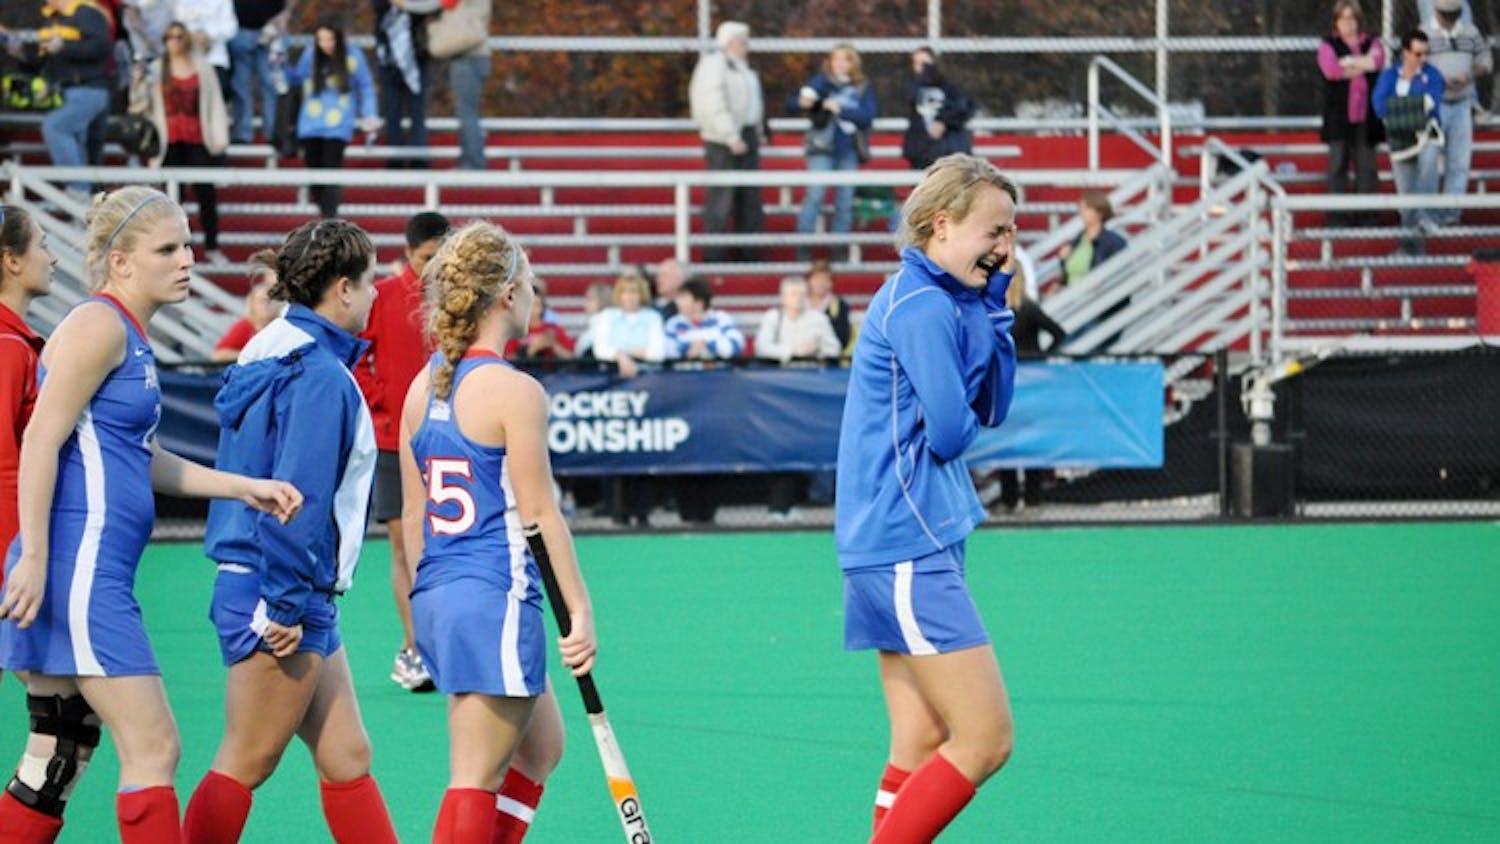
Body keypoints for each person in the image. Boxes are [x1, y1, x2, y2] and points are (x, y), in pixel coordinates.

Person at [0, 187, 301, 844]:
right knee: (155, 747)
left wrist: (243, 486)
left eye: (188, 244)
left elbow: (146, 458)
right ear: (121, 263)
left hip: (89, 571)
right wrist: (39, 559)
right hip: (79, 572)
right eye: (167, 248)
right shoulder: (98, 325)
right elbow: (40, 439)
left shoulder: (127, 335)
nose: (187, 259)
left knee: (59, 749)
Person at [182, 219, 397, 844]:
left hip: (276, 581)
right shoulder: (320, 374)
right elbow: (295, 499)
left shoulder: (268, 344)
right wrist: (287, 601)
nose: (378, 292)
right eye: (371, 279)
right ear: (342, 289)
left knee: (348, 756)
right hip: (279, 588)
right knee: (246, 759)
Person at [835, 153, 1018, 842]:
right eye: (993, 231)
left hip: (903, 539)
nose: (1004, 247)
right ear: (942, 224)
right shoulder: (920, 305)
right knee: (985, 738)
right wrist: (972, 353)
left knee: (920, 742)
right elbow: (950, 431)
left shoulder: (950, 299)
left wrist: (994, 311)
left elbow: (992, 406)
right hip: (907, 541)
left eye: (1010, 232)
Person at [398, 221, 597, 843]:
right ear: (508, 295)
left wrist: (430, 609)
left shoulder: (421, 386)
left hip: (438, 596)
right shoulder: (515, 390)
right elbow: (540, 513)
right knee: (473, 776)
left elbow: (412, 517)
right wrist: (579, 610)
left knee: (540, 749)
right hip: (493, 597)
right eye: (532, 284)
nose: (536, 296)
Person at [355, 210, 449, 693]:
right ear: (409, 253)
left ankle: (442, 643)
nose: (435, 267)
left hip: (448, 436)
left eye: (442, 257)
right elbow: (355, 354)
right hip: (393, 439)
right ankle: (415, 649)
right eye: (428, 258)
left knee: (444, 541)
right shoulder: (384, 296)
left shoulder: (457, 299)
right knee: (402, 543)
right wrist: (381, 406)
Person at [133, 20, 230, 265]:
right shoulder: (157, 68)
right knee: (171, 200)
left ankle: (212, 244)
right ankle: (173, 249)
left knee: (206, 194)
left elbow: (215, 103)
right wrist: (137, 82)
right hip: (169, 139)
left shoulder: (203, 67)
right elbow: (139, 105)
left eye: (179, 36)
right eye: (169, 37)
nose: (174, 41)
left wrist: (220, 136)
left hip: (198, 137)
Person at [0, 206, 54, 622]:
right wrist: (22, 555)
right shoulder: (8, 345)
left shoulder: (16, 341)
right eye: (43, 244)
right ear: (12, 260)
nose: (51, 258)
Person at [689, 21, 765, 263]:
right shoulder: (714, 65)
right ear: (729, 41)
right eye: (743, 41)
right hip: (724, 141)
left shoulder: (741, 67)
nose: (746, 46)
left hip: (746, 136)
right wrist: (730, 135)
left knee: (749, 198)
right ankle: (714, 254)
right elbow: (711, 104)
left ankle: (748, 252)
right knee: (722, 198)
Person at [289, 20, 380, 218]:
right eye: (321, 39)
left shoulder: (353, 56)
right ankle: (324, 215)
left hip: (338, 125)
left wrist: (369, 114)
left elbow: (365, 87)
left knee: (331, 171)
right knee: (314, 175)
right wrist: (279, 64)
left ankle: (330, 218)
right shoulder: (310, 54)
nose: (326, 44)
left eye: (330, 38)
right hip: (310, 124)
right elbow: (296, 79)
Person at [792, 43, 877, 251]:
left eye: (845, 59)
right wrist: (818, 103)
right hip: (821, 148)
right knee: (815, 196)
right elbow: (798, 103)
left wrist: (841, 110)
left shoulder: (863, 86)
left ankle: (839, 251)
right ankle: (802, 249)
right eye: (835, 59)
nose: (839, 63)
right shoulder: (821, 83)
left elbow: (867, 116)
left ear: (852, 62)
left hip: (848, 149)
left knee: (845, 202)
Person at [1373, 31, 1446, 255]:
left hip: (1426, 134)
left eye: (1426, 53)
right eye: (1417, 53)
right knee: (1406, 197)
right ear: (1405, 52)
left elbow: (1432, 103)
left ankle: (1426, 215)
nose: (1422, 59)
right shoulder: (1389, 75)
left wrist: (1402, 103)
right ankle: (1411, 247)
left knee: (1429, 159)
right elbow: (1379, 106)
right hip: (1400, 138)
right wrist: (1415, 102)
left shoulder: (1432, 74)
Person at [1317, 0, 1386, 223]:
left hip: (1367, 117)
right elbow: (1331, 70)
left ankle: (1366, 217)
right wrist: (1361, 65)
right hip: (1339, 117)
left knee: (1367, 168)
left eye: (1352, 17)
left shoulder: (1372, 42)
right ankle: (1336, 217)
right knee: (1337, 166)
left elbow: (1377, 62)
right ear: (1336, 22)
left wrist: (1348, 62)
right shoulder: (1328, 44)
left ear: (1359, 20)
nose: (1348, 23)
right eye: (1343, 18)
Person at [1424, 0, 1491, 226]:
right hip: (1435, 105)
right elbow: (1413, 65)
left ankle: (1450, 215)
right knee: (1429, 161)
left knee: (1459, 163)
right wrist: (1437, 79)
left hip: (1462, 103)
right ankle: (1429, 213)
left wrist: (1469, 75)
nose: (1449, 19)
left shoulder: (1470, 32)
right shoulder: (1424, 32)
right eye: (1446, 15)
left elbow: (1486, 61)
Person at [37, 0, 113, 197]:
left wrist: (65, 47)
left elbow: (102, 47)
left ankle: (79, 189)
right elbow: (45, 57)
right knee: (78, 145)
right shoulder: (50, 17)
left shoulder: (87, 12)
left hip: (89, 87)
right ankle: (85, 201)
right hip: (64, 91)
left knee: (56, 126)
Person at [372, 0, 434, 168]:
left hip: (416, 59)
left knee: (417, 112)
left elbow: (427, 10)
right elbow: (379, 13)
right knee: (392, 111)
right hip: (388, 61)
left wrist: (406, 5)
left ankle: (418, 158)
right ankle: (394, 158)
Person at [228, 0, 294, 144]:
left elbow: (286, 6)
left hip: (271, 31)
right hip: (239, 29)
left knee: (270, 83)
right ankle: (242, 133)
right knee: (241, 85)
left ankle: (272, 132)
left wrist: (278, 22)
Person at [901, 47, 974, 171]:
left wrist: (943, 121)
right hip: (922, 150)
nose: (921, 68)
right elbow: (911, 96)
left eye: (924, 63)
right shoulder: (912, 84)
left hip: (948, 149)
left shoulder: (949, 87)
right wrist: (922, 78)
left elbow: (964, 108)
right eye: (916, 63)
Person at [592, 271, 665, 379]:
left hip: (648, 376)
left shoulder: (653, 317)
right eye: (624, 292)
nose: (629, 297)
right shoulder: (607, 316)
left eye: (634, 292)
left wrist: (624, 354)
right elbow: (600, 350)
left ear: (641, 294)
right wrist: (621, 357)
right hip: (611, 375)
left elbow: (658, 353)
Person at [755, 276, 840, 365]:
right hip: (779, 373)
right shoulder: (772, 316)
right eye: (793, 294)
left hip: (812, 373)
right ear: (783, 298)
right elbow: (762, 347)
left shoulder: (819, 318)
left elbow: (834, 348)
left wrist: (817, 352)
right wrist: (794, 351)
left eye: (802, 294)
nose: (798, 298)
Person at [213, 250, 279, 362]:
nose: (267, 305)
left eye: (270, 301)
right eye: (262, 301)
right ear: (252, 304)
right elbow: (219, 354)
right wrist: (251, 356)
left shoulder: (279, 325)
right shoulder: (246, 326)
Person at [663, 276, 744, 361]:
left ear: (699, 303)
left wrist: (706, 345)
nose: (677, 302)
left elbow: (736, 346)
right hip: (683, 373)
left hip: (719, 372)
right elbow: (667, 351)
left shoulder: (721, 319)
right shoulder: (673, 323)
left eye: (683, 297)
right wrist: (689, 350)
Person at [1056, 190, 1125, 286]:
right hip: (1071, 296)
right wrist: (1063, 261)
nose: (1082, 212)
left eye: (1087, 208)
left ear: (1100, 212)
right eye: (1080, 208)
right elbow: (1067, 275)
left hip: (1094, 298)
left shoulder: (1114, 242)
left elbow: (1120, 277)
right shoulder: (1076, 240)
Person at [169, 0, 236, 94]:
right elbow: (174, 24)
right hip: (187, 62)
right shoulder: (180, 2)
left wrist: (208, 35)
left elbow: (231, 28)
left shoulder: (223, 2)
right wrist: (189, 35)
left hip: (215, 60)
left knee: (215, 99)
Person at [504, 279, 575, 361]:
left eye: (536, 305)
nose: (533, 310)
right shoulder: (515, 331)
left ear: (542, 307)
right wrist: (532, 349)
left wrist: (553, 345)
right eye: (529, 305)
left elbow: (572, 358)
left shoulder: (554, 330)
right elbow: (509, 360)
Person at [805, 258, 852, 350]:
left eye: (825, 280)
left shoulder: (840, 306)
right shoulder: (799, 304)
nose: (821, 284)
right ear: (809, 281)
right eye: (817, 279)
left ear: (831, 283)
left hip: (829, 359)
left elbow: (843, 339)